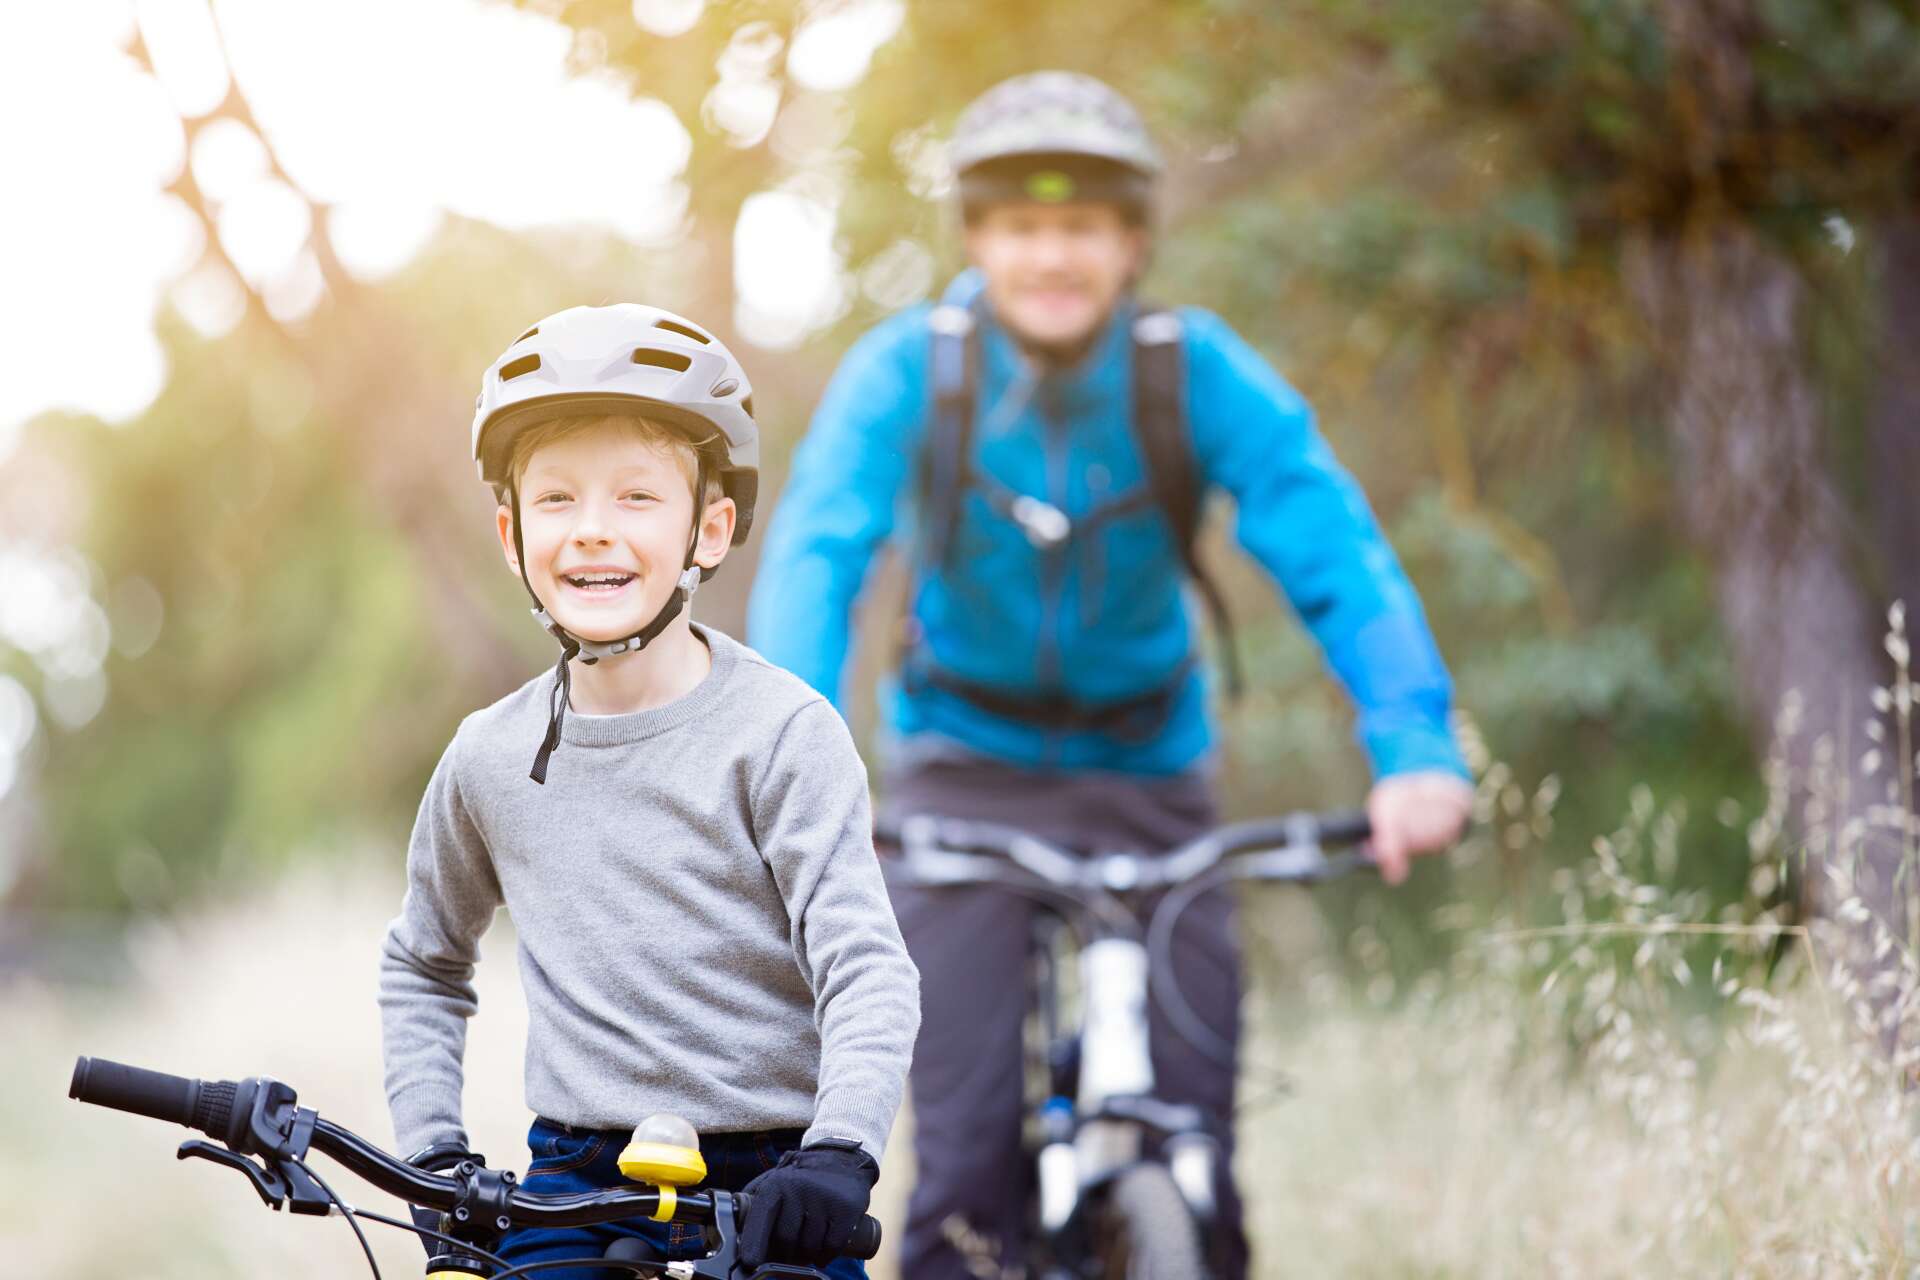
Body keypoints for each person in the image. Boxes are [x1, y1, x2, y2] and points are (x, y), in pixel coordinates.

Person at [746, 72, 1474, 1280]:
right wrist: (790, 782)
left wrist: (1416, 749)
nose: (1052, 255)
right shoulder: (912, 373)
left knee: (1200, 1155)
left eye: (1082, 227)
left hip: (1151, 772)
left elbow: (1334, 549)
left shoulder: (1192, 372)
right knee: (966, 1172)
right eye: (1024, 227)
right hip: (961, 773)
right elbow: (819, 558)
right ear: (978, 238)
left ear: (1132, 242)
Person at [378, 303, 920, 1280]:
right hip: (573, 1181)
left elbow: (867, 968)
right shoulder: (487, 758)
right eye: (556, 499)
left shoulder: (785, 734)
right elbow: (424, 961)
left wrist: (841, 1150)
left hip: (775, 1182)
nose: (593, 531)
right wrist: (434, 1157)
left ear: (709, 527)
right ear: (510, 532)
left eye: (636, 496)